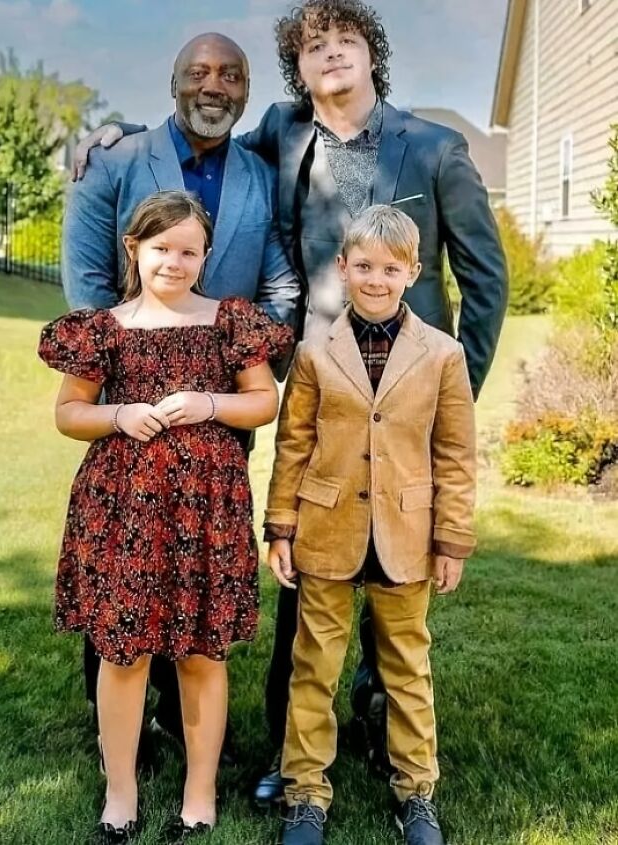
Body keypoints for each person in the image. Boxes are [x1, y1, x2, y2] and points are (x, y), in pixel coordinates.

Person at [71, 0, 507, 802]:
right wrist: (110, 136)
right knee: (305, 559)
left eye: (345, 40)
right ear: (298, 72)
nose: (331, 54)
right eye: (313, 47)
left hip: (406, 396)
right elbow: (202, 130)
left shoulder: (437, 149)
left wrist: (452, 397)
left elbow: (487, 283)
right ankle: (288, 750)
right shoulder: (284, 132)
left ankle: (386, 728)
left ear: (372, 55)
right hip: (316, 395)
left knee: (399, 569)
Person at [63, 31, 301, 762]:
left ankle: (184, 715)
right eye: (199, 71)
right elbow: (87, 282)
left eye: (232, 75)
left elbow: (280, 281)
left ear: (246, 91)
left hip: (221, 408)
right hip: (129, 411)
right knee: (125, 566)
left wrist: (251, 354)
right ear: (172, 82)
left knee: (197, 567)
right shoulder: (117, 158)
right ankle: (119, 737)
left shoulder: (261, 173)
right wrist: (115, 385)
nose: (215, 85)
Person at [38, 191, 292, 843]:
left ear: (205, 254)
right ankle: (120, 793)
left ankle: (198, 792)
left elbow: (264, 400)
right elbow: (69, 412)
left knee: (201, 652)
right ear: (134, 249)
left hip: (206, 512)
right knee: (123, 653)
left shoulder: (229, 321)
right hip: (121, 512)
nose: (174, 261)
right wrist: (119, 415)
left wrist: (207, 402)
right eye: (160, 248)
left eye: (188, 250)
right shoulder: (105, 327)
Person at [264, 205, 476, 845]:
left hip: (406, 534)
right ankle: (306, 792)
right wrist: (280, 526)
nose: (376, 279)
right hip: (327, 529)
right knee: (314, 665)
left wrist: (452, 537)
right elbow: (293, 445)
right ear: (342, 268)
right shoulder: (314, 353)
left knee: (407, 666)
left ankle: (416, 791)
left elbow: (456, 454)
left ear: (413, 271)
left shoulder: (443, 355)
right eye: (364, 266)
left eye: (390, 268)